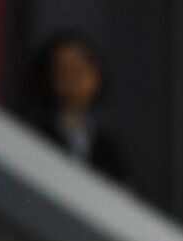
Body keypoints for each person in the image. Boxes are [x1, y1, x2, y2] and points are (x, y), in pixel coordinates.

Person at [25, 32, 127, 182]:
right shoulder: (35, 133)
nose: (74, 78)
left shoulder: (107, 146)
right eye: (64, 69)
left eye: (80, 68)